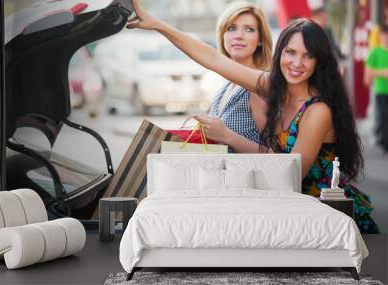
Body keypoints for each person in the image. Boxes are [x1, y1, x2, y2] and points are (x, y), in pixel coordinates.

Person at [127, 0, 379, 233]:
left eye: (308, 56)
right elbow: (213, 58)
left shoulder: (318, 111)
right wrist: (157, 24)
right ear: (279, 53)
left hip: (325, 216)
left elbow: (290, 171)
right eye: (290, 52)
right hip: (291, 209)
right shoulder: (273, 86)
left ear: (319, 62)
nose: (296, 63)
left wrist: (228, 136)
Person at [195, 1, 273, 152]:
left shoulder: (257, 86)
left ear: (260, 40)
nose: (238, 36)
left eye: (249, 29)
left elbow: (274, 155)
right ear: (222, 35)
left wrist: (226, 135)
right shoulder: (226, 86)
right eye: (231, 28)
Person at [364, 25, 388, 154]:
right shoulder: (375, 52)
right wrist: (382, 72)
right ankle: (384, 143)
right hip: (381, 90)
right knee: (383, 117)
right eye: (384, 35)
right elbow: (368, 75)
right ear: (380, 37)